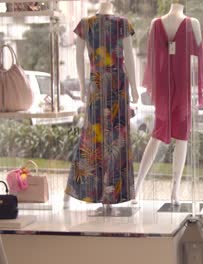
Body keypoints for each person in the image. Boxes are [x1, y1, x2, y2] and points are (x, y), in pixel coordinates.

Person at [134, 2, 203, 205]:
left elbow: (199, 56)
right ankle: (142, 187)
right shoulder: (158, 24)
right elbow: (199, 56)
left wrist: (201, 83)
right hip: (171, 87)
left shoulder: (187, 23)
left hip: (177, 86)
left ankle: (169, 191)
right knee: (162, 134)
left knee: (176, 136)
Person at [64, 1, 138, 207]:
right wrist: (133, 87)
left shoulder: (88, 24)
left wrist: (82, 85)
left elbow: (79, 58)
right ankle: (108, 194)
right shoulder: (118, 23)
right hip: (115, 85)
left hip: (98, 85)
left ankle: (102, 194)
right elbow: (129, 59)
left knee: (95, 138)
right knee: (114, 139)